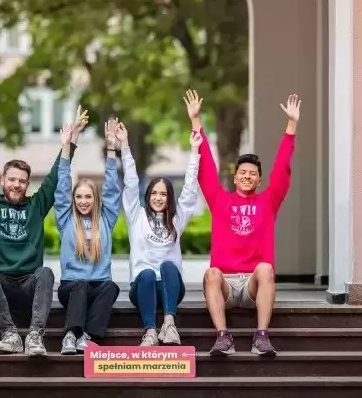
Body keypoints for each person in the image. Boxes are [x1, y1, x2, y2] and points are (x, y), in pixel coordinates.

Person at [0, 102, 87, 357]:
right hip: (0, 285)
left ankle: (34, 337)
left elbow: (55, 176)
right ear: (2, 181)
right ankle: (9, 334)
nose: (17, 185)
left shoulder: (36, 205)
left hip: (29, 286)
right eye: (12, 179)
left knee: (45, 272)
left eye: (22, 181)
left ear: (27, 184)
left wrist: (71, 141)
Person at [183, 89, 300, 357]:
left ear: (259, 180)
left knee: (266, 269)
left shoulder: (268, 201)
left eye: (253, 174)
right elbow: (207, 170)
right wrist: (196, 122)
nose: (247, 176)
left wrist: (291, 127)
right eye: (243, 173)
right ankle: (223, 338)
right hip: (225, 284)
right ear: (235, 178)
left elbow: (282, 169)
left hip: (252, 286)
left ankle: (261, 337)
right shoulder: (219, 199)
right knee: (211, 273)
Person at [117, 119, 203, 346]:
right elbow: (131, 183)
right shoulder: (137, 215)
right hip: (142, 288)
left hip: (170, 287)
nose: (158, 197)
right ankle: (150, 332)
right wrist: (124, 146)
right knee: (145, 273)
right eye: (154, 193)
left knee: (168, 266)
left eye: (163, 194)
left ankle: (169, 324)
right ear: (148, 195)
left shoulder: (177, 218)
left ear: (169, 198)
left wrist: (195, 151)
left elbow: (190, 189)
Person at [54, 119, 122, 355]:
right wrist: (66, 147)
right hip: (71, 288)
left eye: (88, 197)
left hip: (98, 287)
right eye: (79, 197)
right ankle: (70, 335)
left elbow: (112, 189)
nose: (83, 201)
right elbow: (62, 186)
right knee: (81, 284)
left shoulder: (106, 219)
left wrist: (112, 149)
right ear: (74, 200)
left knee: (111, 287)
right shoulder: (65, 220)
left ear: (95, 199)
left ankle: (87, 336)